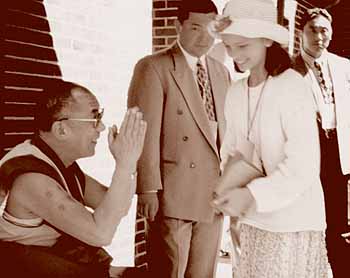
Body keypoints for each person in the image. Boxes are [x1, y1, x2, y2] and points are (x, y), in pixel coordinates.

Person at [210, 0, 328, 277]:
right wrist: (226, 189)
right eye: (228, 46)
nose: (234, 55)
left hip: (293, 221)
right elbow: (233, 150)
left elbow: (304, 165)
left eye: (242, 46)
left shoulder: (291, 85)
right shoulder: (236, 91)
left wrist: (252, 195)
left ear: (266, 40)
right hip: (251, 220)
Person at [0, 80, 147, 277]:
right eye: (94, 119)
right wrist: (125, 165)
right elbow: (100, 233)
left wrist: (128, 162)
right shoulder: (31, 178)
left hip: (49, 263)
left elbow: (114, 206)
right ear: (61, 129)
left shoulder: (63, 166)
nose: (101, 127)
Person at [127, 1, 231, 277]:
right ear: (178, 26)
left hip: (213, 194)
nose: (204, 37)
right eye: (195, 28)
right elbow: (143, 133)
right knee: (169, 270)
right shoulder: (153, 67)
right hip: (172, 193)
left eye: (210, 29)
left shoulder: (221, 72)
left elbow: (226, 136)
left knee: (203, 273)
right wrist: (147, 189)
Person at [293, 8, 350, 277]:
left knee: (339, 226)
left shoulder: (345, 67)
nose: (319, 36)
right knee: (308, 225)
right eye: (312, 30)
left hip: (338, 155)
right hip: (306, 157)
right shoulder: (287, 70)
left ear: (331, 33)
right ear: (300, 33)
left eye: (324, 30)